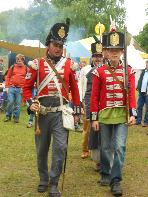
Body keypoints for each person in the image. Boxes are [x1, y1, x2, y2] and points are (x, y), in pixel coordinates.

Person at [23, 19, 80, 196]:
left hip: (61, 112)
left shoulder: (69, 64)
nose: (58, 48)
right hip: (42, 113)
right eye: (55, 44)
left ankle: (54, 182)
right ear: (49, 43)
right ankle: (43, 178)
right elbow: (26, 88)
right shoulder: (37, 64)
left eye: (61, 45)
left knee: (60, 148)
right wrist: (30, 102)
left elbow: (75, 90)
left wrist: (77, 111)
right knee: (42, 149)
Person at [90, 30, 137, 196]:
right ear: (106, 52)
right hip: (104, 115)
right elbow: (94, 96)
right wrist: (94, 118)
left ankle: (115, 180)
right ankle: (105, 172)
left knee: (119, 147)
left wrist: (133, 113)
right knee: (105, 147)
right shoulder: (99, 72)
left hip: (122, 115)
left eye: (117, 49)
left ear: (122, 51)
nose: (114, 52)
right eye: (111, 49)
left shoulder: (128, 71)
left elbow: (131, 94)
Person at [80, 39, 104, 164]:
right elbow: (81, 87)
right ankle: (85, 149)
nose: (98, 58)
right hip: (87, 102)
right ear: (92, 57)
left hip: (102, 103)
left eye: (100, 56)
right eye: (96, 56)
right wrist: (81, 103)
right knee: (88, 127)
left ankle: (98, 152)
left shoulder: (106, 69)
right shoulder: (85, 70)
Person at [4, 54, 27, 123]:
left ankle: (16, 118)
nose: (18, 61)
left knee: (17, 104)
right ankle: (8, 116)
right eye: (17, 60)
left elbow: (28, 79)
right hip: (11, 87)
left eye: (20, 60)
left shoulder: (26, 68)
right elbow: (7, 76)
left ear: (23, 60)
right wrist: (7, 87)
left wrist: (24, 88)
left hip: (20, 89)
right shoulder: (13, 67)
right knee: (10, 102)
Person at [136, 60, 148, 127]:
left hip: (147, 93)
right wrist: (138, 86)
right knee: (139, 106)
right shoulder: (143, 71)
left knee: (147, 108)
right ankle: (138, 120)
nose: (147, 66)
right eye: (146, 65)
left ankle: (146, 122)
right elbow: (140, 80)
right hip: (141, 92)